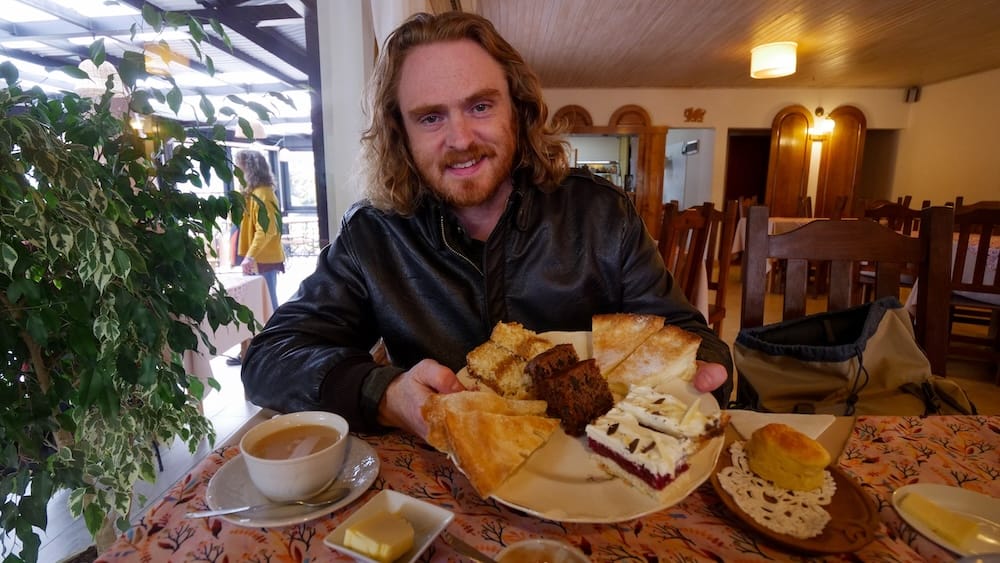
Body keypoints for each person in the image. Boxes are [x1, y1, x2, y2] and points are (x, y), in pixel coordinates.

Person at [242, 12, 732, 441]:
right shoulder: (372, 236)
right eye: (431, 117)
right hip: (445, 472)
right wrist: (386, 393)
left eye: (480, 106)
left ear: (517, 109)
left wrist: (711, 367)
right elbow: (269, 358)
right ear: (401, 134)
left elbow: (686, 333)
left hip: (594, 469)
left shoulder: (603, 214)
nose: (460, 139)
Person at [229, 149, 286, 365]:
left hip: (263, 260)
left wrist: (250, 256)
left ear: (250, 168)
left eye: (241, 168)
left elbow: (267, 230)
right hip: (255, 259)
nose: (238, 172)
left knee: (267, 306)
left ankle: (274, 350)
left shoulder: (265, 194)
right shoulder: (253, 193)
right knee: (252, 305)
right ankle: (252, 350)